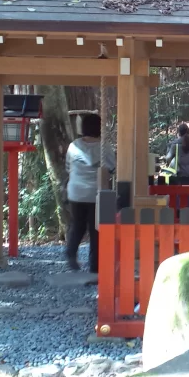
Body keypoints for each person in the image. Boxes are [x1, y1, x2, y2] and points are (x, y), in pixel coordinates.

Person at [65, 113, 115, 276]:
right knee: (96, 230)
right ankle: (95, 265)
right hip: (96, 192)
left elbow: (67, 167)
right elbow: (112, 166)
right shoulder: (104, 147)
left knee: (78, 225)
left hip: (76, 191)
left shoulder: (73, 146)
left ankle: (71, 253)